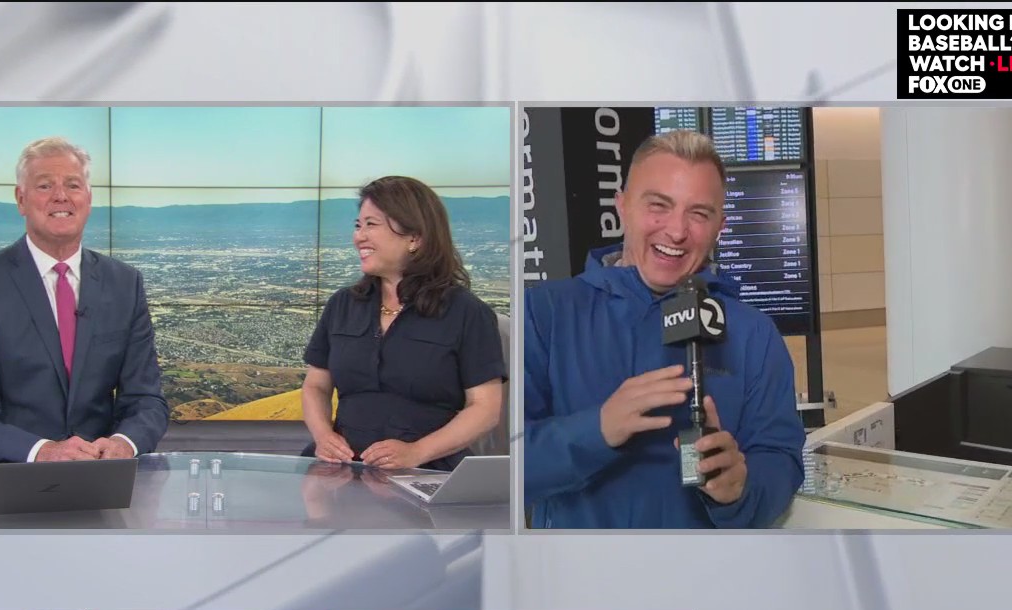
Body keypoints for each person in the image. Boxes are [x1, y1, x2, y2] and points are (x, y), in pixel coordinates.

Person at [523, 130, 806, 529]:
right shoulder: (546, 312)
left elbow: (782, 459)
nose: (676, 231)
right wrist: (597, 429)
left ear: (719, 227)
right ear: (622, 206)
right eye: (659, 205)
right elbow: (514, 470)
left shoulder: (754, 334)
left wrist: (742, 486)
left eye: (699, 213)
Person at [0, 137, 169, 464]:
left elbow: (147, 401)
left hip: (101, 476)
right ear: (21, 199)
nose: (61, 196)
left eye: (73, 185)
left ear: (88, 199)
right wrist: (44, 452)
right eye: (45, 185)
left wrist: (124, 442)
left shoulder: (124, 283)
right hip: (11, 480)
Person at [300, 176, 506, 472]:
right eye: (358, 225)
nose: (359, 237)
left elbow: (485, 410)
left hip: (428, 471)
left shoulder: (466, 312)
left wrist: (416, 453)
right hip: (341, 470)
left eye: (371, 225)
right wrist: (323, 436)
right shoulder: (342, 305)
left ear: (415, 238)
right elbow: (316, 386)